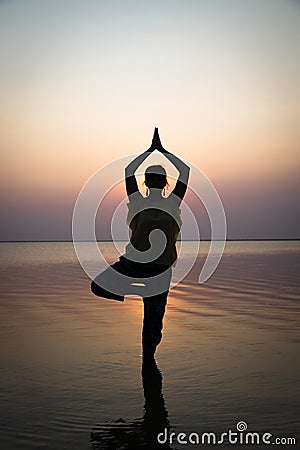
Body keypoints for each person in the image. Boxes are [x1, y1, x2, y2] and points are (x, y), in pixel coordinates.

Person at [91, 128, 190, 359]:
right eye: (151, 177)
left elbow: (185, 171)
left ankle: (149, 367)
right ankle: (139, 292)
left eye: (159, 178)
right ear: (146, 182)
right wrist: (148, 151)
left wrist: (163, 151)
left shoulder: (173, 204)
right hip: (133, 264)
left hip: (160, 270)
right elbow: (128, 171)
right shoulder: (136, 203)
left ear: (164, 183)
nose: (155, 180)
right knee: (98, 286)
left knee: (154, 325)